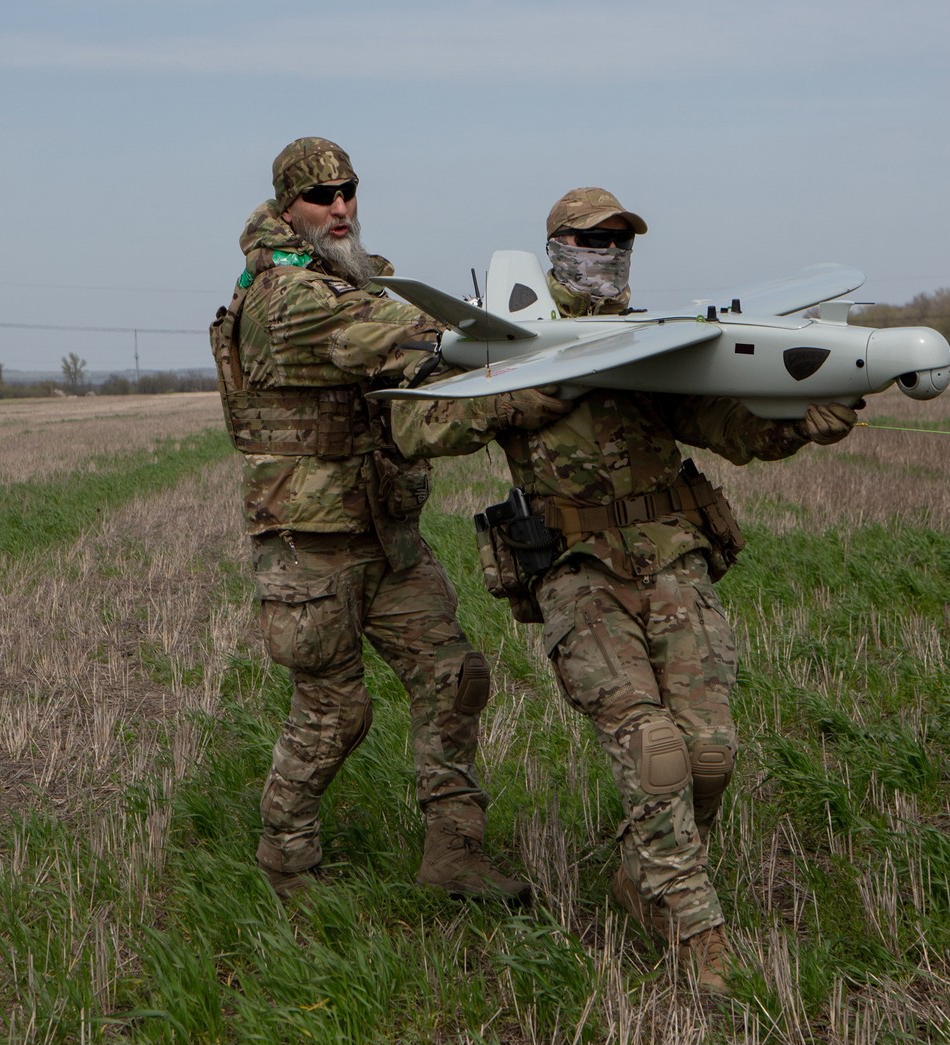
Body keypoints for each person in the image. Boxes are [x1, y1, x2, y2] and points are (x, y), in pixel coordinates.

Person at [392, 187, 857, 992]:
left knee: (711, 753)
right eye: (590, 240)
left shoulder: (655, 342)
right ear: (556, 247)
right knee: (656, 751)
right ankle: (697, 932)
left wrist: (803, 422)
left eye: (619, 242)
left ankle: (642, 884)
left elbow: (728, 429)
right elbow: (417, 424)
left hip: (673, 558)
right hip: (579, 572)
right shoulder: (516, 339)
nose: (606, 254)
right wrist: (520, 398)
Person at [209, 137, 529, 904]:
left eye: (348, 191)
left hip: (387, 536)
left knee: (455, 677)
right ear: (289, 206)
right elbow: (386, 337)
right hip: (311, 547)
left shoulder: (349, 279)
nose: (341, 207)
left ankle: (454, 852)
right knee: (333, 712)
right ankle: (287, 862)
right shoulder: (286, 298)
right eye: (322, 197)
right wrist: (512, 350)